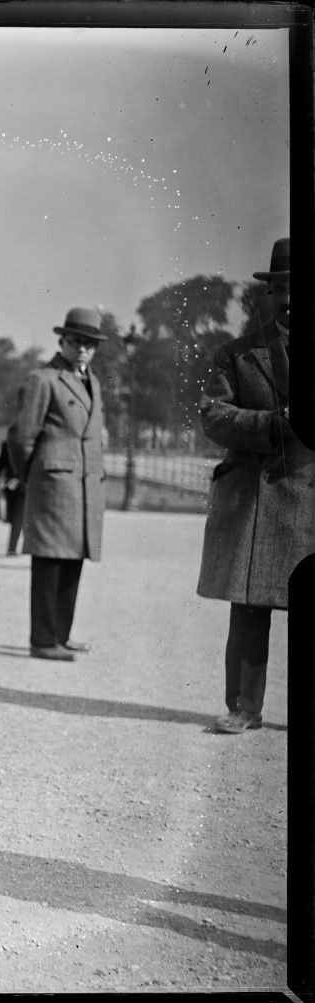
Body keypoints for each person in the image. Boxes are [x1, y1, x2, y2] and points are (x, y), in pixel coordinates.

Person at [196, 237, 312, 733]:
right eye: (282, 288)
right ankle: (244, 708)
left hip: (309, 496)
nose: (290, 297)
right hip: (257, 500)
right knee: (249, 609)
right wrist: (274, 424)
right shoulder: (238, 356)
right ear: (269, 294)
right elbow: (214, 417)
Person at [6, 306, 107, 661]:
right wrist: (31, 475)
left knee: (72, 561)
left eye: (90, 344)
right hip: (53, 485)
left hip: (84, 488)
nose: (83, 350)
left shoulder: (91, 382)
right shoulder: (43, 379)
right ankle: (43, 640)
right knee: (49, 562)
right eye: (77, 342)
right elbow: (21, 437)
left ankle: (60, 636)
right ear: (62, 341)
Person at [0, 438, 25, 556]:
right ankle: (15, 547)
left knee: (16, 518)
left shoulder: (8, 443)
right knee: (19, 518)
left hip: (10, 483)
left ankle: (12, 547)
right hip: (21, 485)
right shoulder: (29, 443)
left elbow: (0, 463)